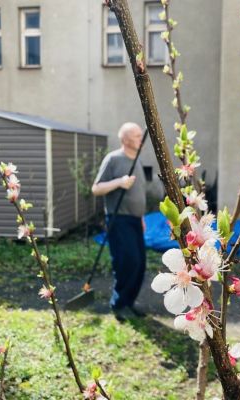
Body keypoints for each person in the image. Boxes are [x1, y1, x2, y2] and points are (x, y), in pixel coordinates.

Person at [92, 122, 147, 322]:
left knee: (140, 263)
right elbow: (96, 188)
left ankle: (129, 302)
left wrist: (140, 218)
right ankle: (118, 304)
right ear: (125, 139)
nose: (140, 139)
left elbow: (138, 192)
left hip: (135, 221)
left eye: (141, 135)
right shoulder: (114, 159)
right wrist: (119, 182)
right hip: (119, 219)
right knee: (126, 262)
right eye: (136, 136)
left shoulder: (138, 160)